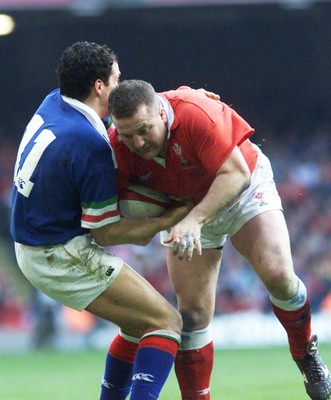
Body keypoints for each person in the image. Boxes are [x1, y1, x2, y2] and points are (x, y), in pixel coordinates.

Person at [107, 79, 331, 400]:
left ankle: (304, 351)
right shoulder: (117, 145)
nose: (138, 142)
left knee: (279, 276)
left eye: (144, 129)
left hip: (241, 187)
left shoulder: (197, 113)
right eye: (127, 134)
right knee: (192, 318)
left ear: (161, 110)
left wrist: (194, 221)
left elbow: (237, 174)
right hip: (187, 206)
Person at [10, 42, 195, 400]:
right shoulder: (90, 146)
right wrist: (167, 219)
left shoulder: (55, 101)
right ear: (99, 86)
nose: (121, 85)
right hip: (58, 254)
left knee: (136, 322)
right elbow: (107, 233)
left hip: (35, 241)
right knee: (166, 323)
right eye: (116, 78)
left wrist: (185, 98)